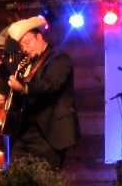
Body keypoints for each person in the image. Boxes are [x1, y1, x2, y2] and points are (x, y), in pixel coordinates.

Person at [6, 16, 81, 169]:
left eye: (27, 43)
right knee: (15, 173)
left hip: (50, 133)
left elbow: (50, 85)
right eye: (22, 46)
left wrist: (24, 88)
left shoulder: (59, 58)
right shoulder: (28, 64)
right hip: (26, 132)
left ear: (39, 37)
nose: (25, 49)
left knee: (45, 181)